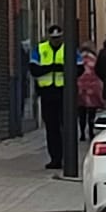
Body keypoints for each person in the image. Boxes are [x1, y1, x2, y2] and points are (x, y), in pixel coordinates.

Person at [29, 26, 67, 170]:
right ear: (49, 37)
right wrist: (54, 67)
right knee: (52, 128)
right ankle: (55, 159)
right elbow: (34, 70)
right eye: (53, 38)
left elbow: (78, 68)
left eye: (58, 38)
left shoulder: (68, 48)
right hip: (47, 93)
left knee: (66, 127)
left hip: (64, 93)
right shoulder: (40, 49)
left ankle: (66, 158)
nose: (56, 41)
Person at [77, 50, 105, 139]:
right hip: (92, 89)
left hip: (80, 88)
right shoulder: (94, 59)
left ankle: (82, 133)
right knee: (91, 112)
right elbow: (99, 72)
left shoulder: (79, 58)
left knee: (82, 112)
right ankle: (91, 131)